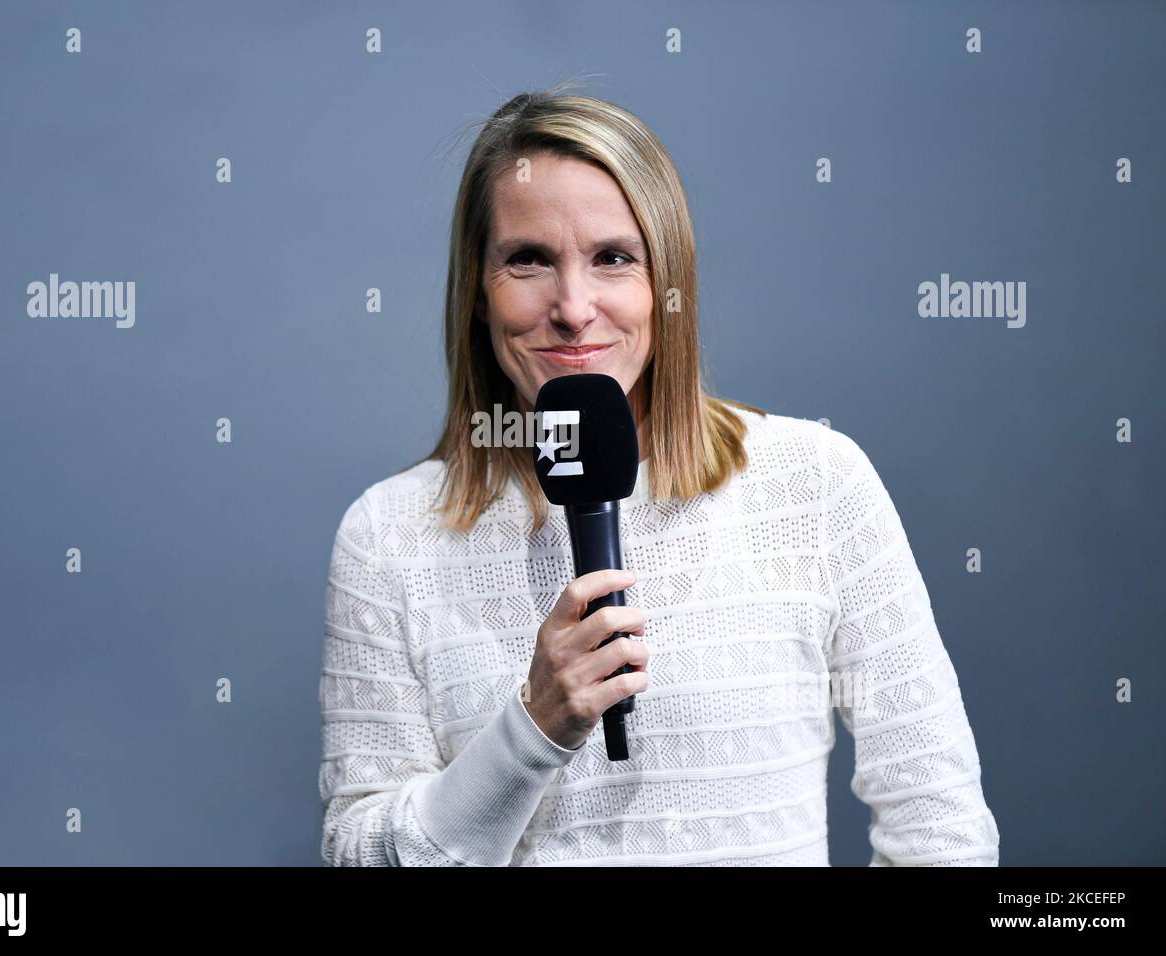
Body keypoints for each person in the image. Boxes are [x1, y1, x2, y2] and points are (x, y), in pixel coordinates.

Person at [318, 85, 1000, 866]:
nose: (573, 308)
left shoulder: (815, 484)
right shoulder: (389, 535)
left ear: (666, 284)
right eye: (528, 260)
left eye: (613, 258)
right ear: (477, 290)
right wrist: (533, 728)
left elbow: (938, 827)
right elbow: (357, 855)